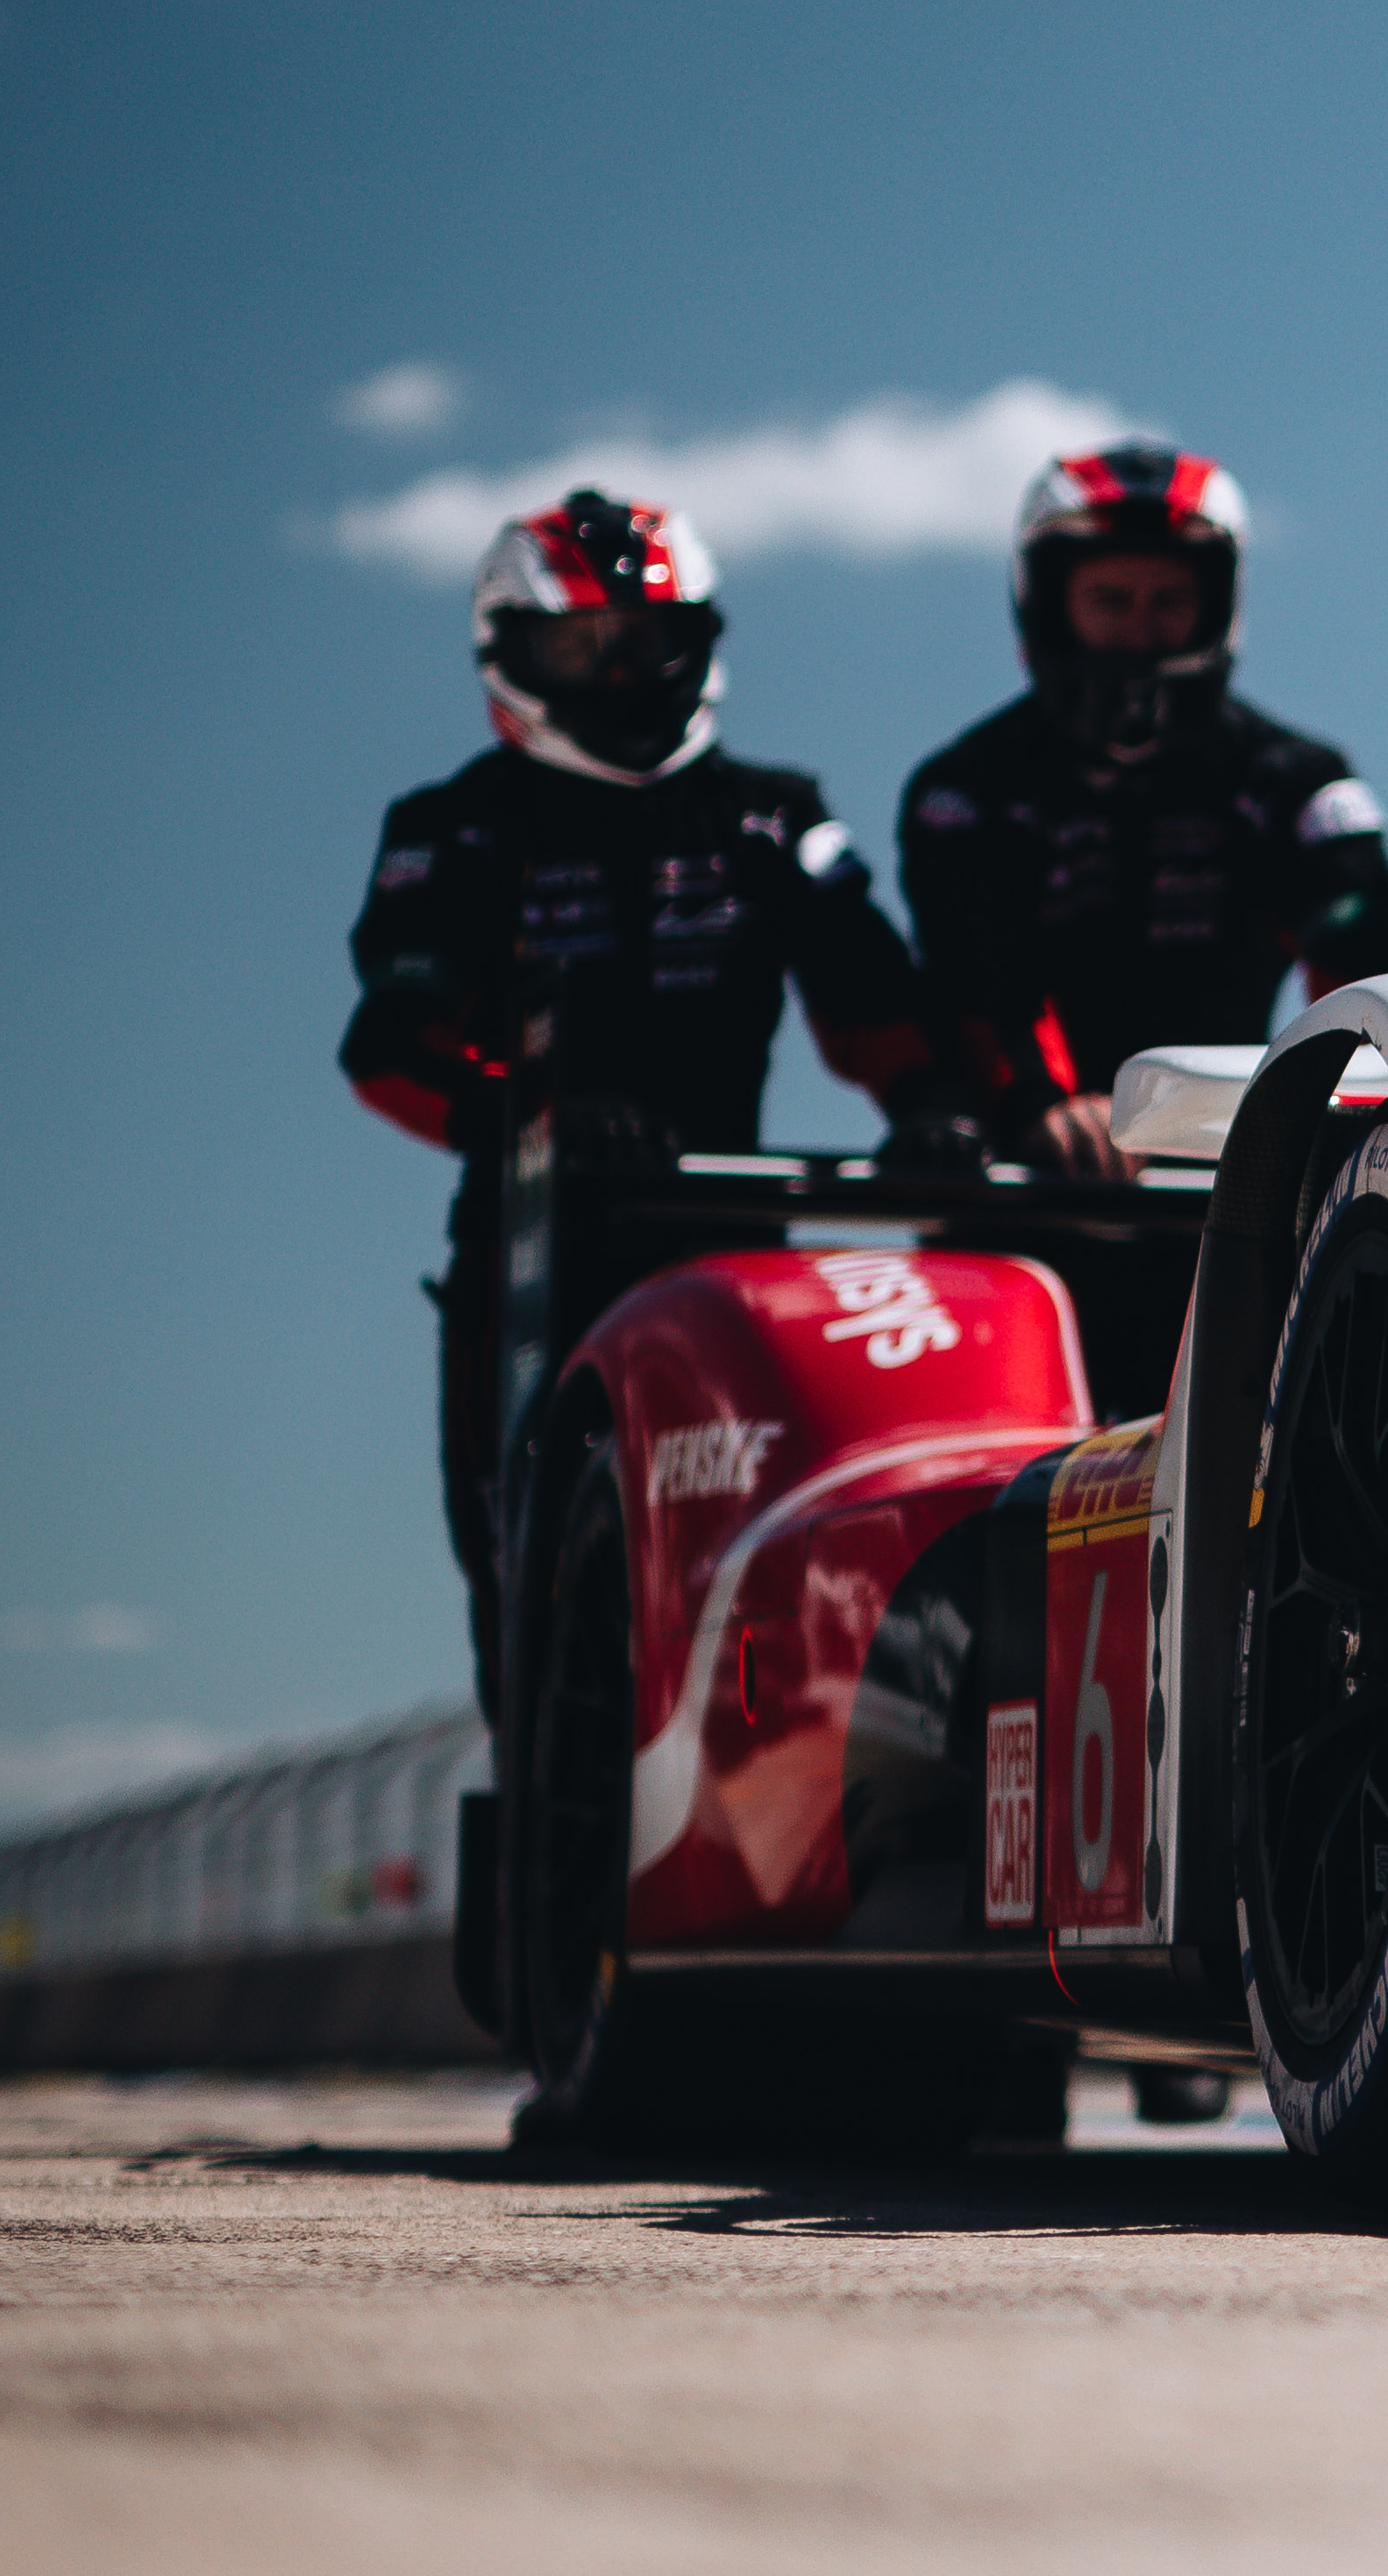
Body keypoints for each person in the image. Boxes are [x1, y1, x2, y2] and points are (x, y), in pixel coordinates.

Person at [344, 488, 967, 1688]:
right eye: (582, 648)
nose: (622, 676)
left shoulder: (774, 819)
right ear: (512, 656)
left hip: (731, 1264)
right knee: (536, 1611)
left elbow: (871, 997)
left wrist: (932, 1107)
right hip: (532, 1272)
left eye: (649, 643)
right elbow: (390, 1046)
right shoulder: (453, 829)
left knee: (744, 1594)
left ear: (700, 647)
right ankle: (552, 1853)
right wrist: (530, 1120)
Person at [897, 443, 1388, 1414]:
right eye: (1110, 601)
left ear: (1218, 609)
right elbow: (975, 969)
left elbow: (1364, 974)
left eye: (1167, 601)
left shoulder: (1299, 780)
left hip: (1230, 1203)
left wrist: (1324, 1123)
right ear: (1049, 609)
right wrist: (1050, 1104)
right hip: (1026, 1196)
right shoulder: (965, 789)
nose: (1139, 632)